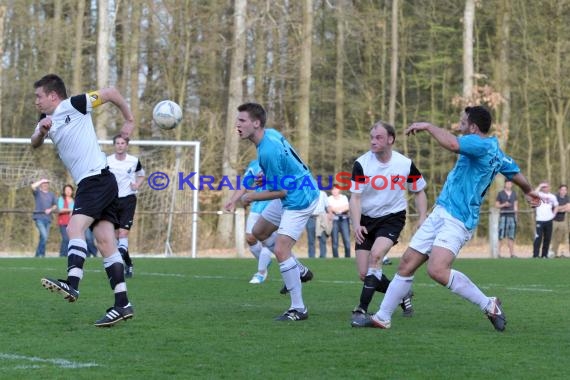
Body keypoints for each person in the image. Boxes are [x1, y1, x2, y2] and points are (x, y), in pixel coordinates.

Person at [362, 106, 540, 332]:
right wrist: (528, 190)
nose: (460, 125)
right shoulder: (495, 150)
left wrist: (427, 126)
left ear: (474, 127)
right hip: (441, 211)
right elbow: (514, 172)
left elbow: (453, 144)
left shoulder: (479, 143)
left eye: (463, 122)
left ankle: (489, 304)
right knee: (407, 263)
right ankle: (382, 317)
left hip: (458, 218)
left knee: (437, 269)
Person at [31, 74, 135, 327]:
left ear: (53, 95)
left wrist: (129, 120)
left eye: (39, 96)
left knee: (74, 228)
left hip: (96, 179)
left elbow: (110, 92)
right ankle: (122, 304)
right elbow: (34, 143)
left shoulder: (74, 105)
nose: (36, 101)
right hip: (98, 181)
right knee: (105, 242)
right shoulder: (44, 120)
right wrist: (42, 131)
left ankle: (72, 283)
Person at [236, 102, 317, 321]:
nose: (237, 125)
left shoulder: (267, 150)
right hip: (295, 187)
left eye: (242, 120)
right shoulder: (270, 135)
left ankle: (298, 309)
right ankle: (299, 270)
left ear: (256, 123)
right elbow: (284, 165)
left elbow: (280, 191)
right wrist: (266, 178)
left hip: (300, 197)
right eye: (238, 120)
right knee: (259, 231)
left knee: (282, 250)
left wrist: (250, 196)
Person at [349, 121, 428, 327]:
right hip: (366, 220)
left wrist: (422, 217)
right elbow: (355, 198)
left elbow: (418, 190)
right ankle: (401, 295)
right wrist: (356, 224)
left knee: (376, 256)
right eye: (372, 137)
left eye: (379, 138)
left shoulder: (404, 164)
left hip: (392, 218)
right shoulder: (361, 164)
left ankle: (361, 309)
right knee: (364, 274)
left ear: (391, 140)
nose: (373, 141)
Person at [224, 159, 273, 284]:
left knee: (267, 240)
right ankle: (265, 261)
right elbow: (245, 184)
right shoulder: (254, 164)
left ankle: (261, 273)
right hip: (257, 206)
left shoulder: (280, 162)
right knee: (250, 238)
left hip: (275, 206)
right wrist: (233, 200)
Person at [107, 134, 146, 277]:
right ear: (114, 145)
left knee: (123, 233)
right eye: (117, 143)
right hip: (112, 201)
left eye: (122, 143)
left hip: (128, 199)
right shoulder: (107, 161)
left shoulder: (134, 161)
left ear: (126, 145)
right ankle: (128, 263)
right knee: (116, 236)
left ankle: (116, 262)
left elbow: (141, 175)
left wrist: (137, 184)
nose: (120, 145)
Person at [31, 178, 58, 257]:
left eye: (46, 183)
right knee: (44, 236)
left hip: (48, 218)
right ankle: (41, 254)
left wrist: (50, 209)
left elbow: (55, 205)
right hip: (38, 218)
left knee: (43, 238)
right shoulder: (38, 193)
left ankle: (37, 254)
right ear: (41, 184)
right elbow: (32, 186)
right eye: (44, 183)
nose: (45, 184)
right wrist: (41, 181)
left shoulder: (51, 194)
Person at [533, 182, 558, 258]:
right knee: (538, 237)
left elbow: (556, 205)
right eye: (544, 187)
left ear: (549, 187)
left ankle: (544, 255)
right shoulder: (539, 194)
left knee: (547, 238)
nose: (545, 188)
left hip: (549, 220)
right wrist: (539, 186)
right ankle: (536, 255)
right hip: (540, 219)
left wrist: (553, 215)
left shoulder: (552, 196)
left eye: (546, 187)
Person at [495, 179, 518, 258]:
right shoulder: (500, 194)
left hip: (512, 217)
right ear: (505, 184)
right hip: (503, 216)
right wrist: (504, 204)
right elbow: (497, 205)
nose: (509, 184)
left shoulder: (514, 194)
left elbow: (515, 206)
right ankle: (498, 254)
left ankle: (512, 254)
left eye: (510, 183)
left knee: (511, 236)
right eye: (507, 183)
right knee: (501, 236)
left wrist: (516, 216)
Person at [305, 190, 331, 258]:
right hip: (310, 218)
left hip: (321, 218)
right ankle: (311, 256)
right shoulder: (306, 193)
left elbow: (328, 205)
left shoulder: (323, 193)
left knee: (322, 239)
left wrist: (330, 215)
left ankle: (323, 256)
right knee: (311, 240)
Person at [328, 186, 351, 258]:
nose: (334, 191)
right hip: (334, 220)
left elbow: (347, 207)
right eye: (333, 189)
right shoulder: (329, 198)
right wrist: (341, 208)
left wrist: (336, 209)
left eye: (336, 189)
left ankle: (347, 257)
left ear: (339, 190)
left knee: (347, 240)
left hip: (344, 220)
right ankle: (335, 257)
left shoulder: (344, 197)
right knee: (334, 241)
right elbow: (331, 208)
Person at [57, 184, 75, 257]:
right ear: (64, 191)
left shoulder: (74, 200)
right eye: (66, 190)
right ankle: (62, 255)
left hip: (72, 223)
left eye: (69, 190)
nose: (68, 191)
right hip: (63, 222)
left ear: (72, 191)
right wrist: (70, 210)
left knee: (71, 239)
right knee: (65, 238)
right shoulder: (61, 199)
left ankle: (69, 254)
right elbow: (60, 210)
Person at [551, 185, 568, 258]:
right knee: (550, 237)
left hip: (562, 221)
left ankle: (555, 253)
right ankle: (547, 252)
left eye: (565, 190)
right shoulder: (555, 197)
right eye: (562, 190)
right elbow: (555, 208)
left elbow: (568, 209)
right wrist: (564, 207)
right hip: (553, 220)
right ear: (559, 190)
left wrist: (559, 208)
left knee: (559, 238)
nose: (563, 191)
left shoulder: (568, 198)